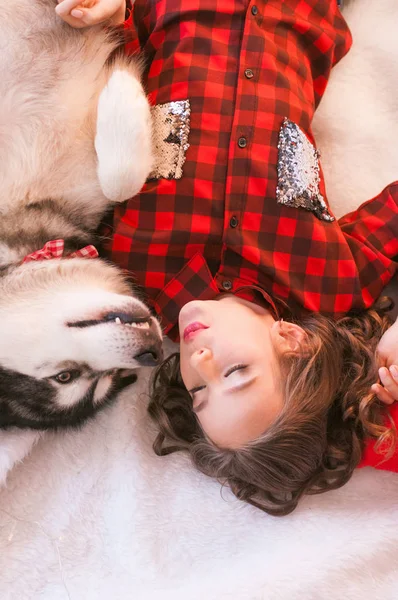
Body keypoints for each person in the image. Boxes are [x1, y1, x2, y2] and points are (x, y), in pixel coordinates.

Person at [58, 0, 398, 515]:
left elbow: (113, 114)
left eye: (199, 393)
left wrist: (114, 16)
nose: (200, 363)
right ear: (293, 340)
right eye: (236, 372)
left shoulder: (130, 279)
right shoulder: (331, 284)